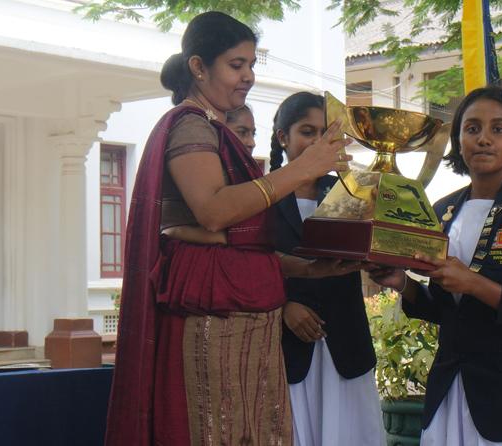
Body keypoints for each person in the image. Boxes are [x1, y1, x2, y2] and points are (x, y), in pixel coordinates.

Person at [104, 12, 352, 446]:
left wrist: (311, 270)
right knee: (215, 430)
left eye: (252, 65)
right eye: (236, 65)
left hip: (249, 313)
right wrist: (303, 168)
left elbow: (242, 242)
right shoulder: (190, 126)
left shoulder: (217, 129)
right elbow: (215, 212)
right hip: (212, 316)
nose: (248, 77)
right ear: (199, 67)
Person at [369, 85, 502, 445]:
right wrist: (403, 283)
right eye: (472, 128)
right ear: (459, 142)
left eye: (498, 129)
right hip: (451, 395)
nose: (483, 139)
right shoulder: (442, 210)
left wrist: (475, 284)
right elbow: (449, 309)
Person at [269, 92, 385, 446]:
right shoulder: (260, 196)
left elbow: (374, 254)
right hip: (286, 351)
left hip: (345, 344)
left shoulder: (351, 192)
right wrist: (283, 307)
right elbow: (248, 265)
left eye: (324, 134)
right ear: (282, 137)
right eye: (307, 132)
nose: (317, 142)